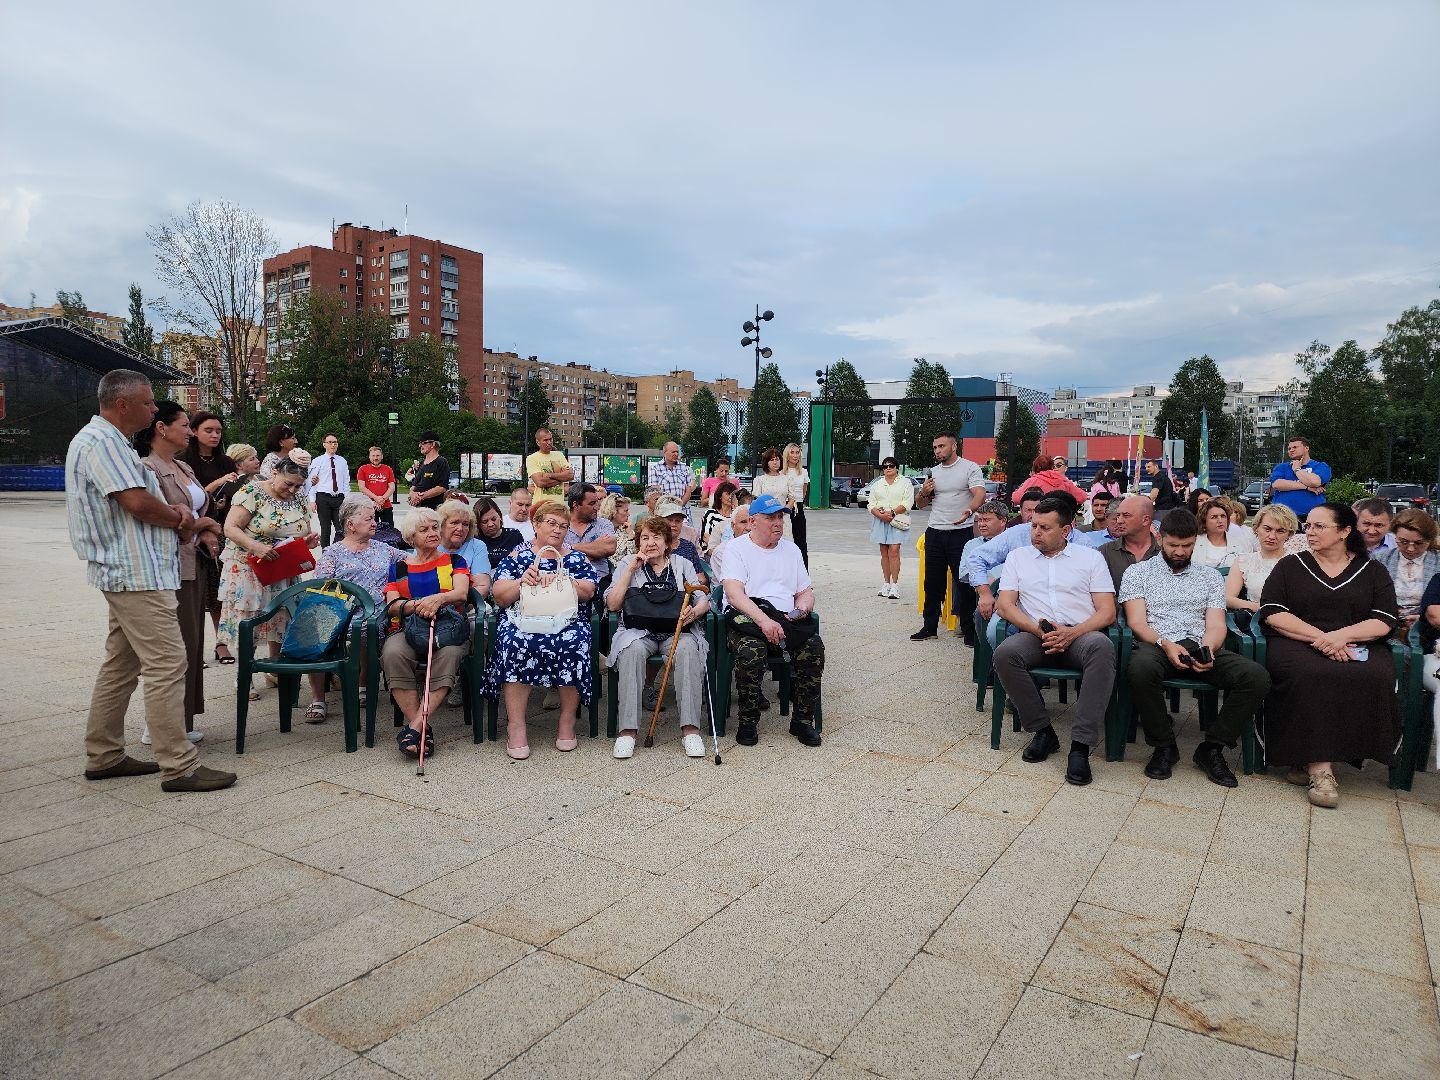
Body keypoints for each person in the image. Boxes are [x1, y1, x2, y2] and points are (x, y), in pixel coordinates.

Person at [64, 369, 236, 793]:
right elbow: (138, 502)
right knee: (167, 663)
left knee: (121, 665)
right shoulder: (102, 443)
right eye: (148, 402)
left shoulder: (110, 442)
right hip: (135, 570)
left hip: (134, 568)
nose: (155, 408)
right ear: (122, 405)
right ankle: (178, 766)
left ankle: (103, 755)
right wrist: (182, 518)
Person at [1258, 502, 1400, 808]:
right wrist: (1323, 639)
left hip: (1356, 642)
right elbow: (1272, 611)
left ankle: (1317, 754)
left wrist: (1342, 637)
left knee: (1375, 674)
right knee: (1312, 674)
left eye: (1319, 526)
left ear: (1345, 531)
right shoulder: (1291, 565)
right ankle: (1320, 768)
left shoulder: (1372, 570)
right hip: (1297, 641)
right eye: (1307, 525)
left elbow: (1385, 617)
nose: (1310, 532)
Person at [1119, 509, 1270, 786]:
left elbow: (1215, 624)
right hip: (1157, 642)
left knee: (1256, 676)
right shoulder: (1138, 572)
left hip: (1200, 642)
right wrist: (1166, 645)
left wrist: (1209, 648)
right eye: (1173, 545)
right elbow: (1137, 622)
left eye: (1186, 546)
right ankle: (1164, 746)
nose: (1179, 551)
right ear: (1159, 538)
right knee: (1140, 669)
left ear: (1195, 542)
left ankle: (1212, 748)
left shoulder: (1209, 577)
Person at [991, 496, 1117, 785]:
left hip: (1080, 635)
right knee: (1005, 653)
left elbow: (1108, 611)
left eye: (1045, 527)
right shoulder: (1018, 558)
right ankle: (1043, 732)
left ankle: (1081, 747)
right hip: (1037, 634)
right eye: (1034, 525)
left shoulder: (1090, 559)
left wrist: (1072, 633)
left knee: (1102, 647)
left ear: (1066, 531)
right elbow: (1006, 605)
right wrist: (1039, 631)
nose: (1036, 532)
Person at [136, 401, 225, 746]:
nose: (190, 431)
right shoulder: (146, 468)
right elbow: (160, 516)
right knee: (172, 647)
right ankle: (160, 725)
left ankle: (180, 720)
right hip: (168, 566)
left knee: (190, 643)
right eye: (185, 425)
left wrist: (204, 528)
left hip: (194, 562)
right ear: (162, 428)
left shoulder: (182, 466)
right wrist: (201, 523)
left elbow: (197, 508)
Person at [487, 501, 600, 759]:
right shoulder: (518, 556)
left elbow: (591, 592)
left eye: (563, 526)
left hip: (566, 622)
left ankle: (567, 720)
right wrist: (521, 581)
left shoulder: (575, 558)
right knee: (514, 641)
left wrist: (567, 580)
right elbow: (500, 596)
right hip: (523, 622)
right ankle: (516, 725)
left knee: (575, 641)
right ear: (535, 524)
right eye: (551, 523)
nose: (558, 530)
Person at [605, 516, 712, 759]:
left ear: (667, 543)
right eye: (645, 538)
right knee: (631, 652)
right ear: (638, 542)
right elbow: (612, 604)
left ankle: (690, 730)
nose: (650, 543)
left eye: (656, 537)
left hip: (678, 630)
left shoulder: (682, 563)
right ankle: (628, 731)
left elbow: (703, 598)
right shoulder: (626, 563)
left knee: (687, 651)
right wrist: (630, 570)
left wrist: (694, 612)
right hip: (638, 630)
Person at [722, 493, 823, 748]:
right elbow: (734, 595)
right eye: (771, 518)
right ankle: (748, 721)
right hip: (749, 618)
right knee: (751, 652)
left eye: (780, 517)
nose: (778, 523)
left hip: (786, 619)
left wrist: (800, 610)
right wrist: (765, 621)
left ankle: (802, 721)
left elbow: (805, 592)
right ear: (753, 521)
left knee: (813, 648)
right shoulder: (736, 548)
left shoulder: (791, 549)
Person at [218, 457, 318, 697]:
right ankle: (244, 677)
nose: (292, 490)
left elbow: (301, 528)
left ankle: (275, 671)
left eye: (298, 486)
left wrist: (306, 542)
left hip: (282, 568)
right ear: (274, 472)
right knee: (250, 620)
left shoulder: (298, 497)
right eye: (288, 483)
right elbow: (230, 528)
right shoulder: (252, 491)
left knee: (283, 619)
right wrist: (256, 547)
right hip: (249, 567)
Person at [304, 495, 405, 721]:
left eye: (374, 518)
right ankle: (318, 698)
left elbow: (415, 562)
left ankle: (362, 685)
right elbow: (320, 587)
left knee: (368, 628)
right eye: (369, 518)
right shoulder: (333, 553)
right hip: (339, 612)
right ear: (350, 524)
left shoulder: (385, 549)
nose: (375, 522)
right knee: (315, 628)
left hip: (375, 614)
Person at [382, 509, 471, 759]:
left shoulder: (453, 562)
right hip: (408, 625)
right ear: (411, 538)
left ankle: (414, 729)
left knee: (451, 653)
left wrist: (438, 600)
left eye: (435, 527)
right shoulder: (399, 567)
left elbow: (461, 593)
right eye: (424, 530)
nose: (433, 533)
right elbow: (394, 605)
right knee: (393, 652)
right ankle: (421, 728)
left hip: (447, 627)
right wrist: (419, 605)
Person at [912, 432, 987, 644]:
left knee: (963, 583)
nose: (937, 451)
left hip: (960, 532)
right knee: (932, 583)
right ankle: (929, 628)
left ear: (954, 446)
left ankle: (969, 632)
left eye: (941, 446)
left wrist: (970, 510)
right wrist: (923, 492)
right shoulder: (932, 473)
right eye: (935, 447)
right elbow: (920, 505)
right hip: (935, 531)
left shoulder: (969, 467)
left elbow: (980, 493)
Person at [180, 411, 238, 665]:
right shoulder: (182, 461)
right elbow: (185, 497)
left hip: (221, 530)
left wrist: (225, 500)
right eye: (209, 430)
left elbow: (237, 497)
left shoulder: (226, 461)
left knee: (218, 591)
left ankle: (221, 643)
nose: (215, 435)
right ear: (194, 431)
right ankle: (193, 648)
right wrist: (217, 484)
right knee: (194, 593)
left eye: (218, 431)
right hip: (191, 533)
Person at [1226, 504, 1299, 625]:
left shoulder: (1297, 560)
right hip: (1259, 622)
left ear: (1289, 534)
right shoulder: (1244, 561)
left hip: (1295, 620)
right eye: (1267, 529)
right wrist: (1260, 608)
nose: (1272, 536)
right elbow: (1228, 598)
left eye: (1280, 531)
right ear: (1256, 528)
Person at [1375, 509, 1440, 631]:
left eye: (1418, 543)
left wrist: (1423, 619)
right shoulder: (1380, 559)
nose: (1410, 549)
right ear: (1394, 535)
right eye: (1403, 542)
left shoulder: (1438, 561)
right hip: (1385, 627)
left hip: (1429, 630)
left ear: (1430, 540)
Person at [961, 499, 1010, 644]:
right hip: (983, 594)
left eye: (987, 520)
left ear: (1003, 521)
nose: (981, 524)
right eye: (979, 520)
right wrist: (986, 582)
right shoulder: (972, 544)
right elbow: (964, 572)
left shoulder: (1013, 541)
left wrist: (993, 579)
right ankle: (984, 653)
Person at [867, 456, 914, 599]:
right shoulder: (877, 484)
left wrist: (892, 512)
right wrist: (880, 515)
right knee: (884, 551)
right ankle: (886, 583)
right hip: (881, 520)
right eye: (885, 466)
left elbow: (908, 502)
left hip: (898, 519)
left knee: (894, 550)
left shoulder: (905, 483)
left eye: (891, 466)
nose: (888, 468)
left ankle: (895, 585)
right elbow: (871, 504)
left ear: (896, 468)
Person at [1098, 496, 1159, 591]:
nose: (1119, 521)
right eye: (1118, 516)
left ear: (1146, 520)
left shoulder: (1164, 551)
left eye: (1126, 515)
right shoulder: (1105, 552)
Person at [565, 482, 618, 587]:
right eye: (591, 503)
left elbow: (609, 548)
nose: (597, 507)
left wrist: (570, 547)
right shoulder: (560, 525)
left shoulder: (603, 524)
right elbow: (555, 553)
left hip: (599, 580)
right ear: (576, 505)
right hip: (567, 581)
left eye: (597, 502)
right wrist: (595, 548)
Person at [437, 501, 493, 598]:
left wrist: (456, 605)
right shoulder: (429, 545)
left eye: (465, 524)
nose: (460, 528)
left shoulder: (477, 546)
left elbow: (482, 587)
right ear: (441, 525)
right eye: (454, 523)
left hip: (466, 606)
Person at [1268, 437, 1330, 523]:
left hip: (1312, 518)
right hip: (1282, 517)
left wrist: (1297, 469)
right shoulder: (1282, 467)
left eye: (1295, 447)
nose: (1291, 450)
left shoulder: (1320, 466)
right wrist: (1307, 487)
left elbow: (1315, 482)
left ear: (1306, 448)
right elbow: (1277, 484)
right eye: (1289, 448)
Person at [306, 433, 350, 548]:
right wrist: (312, 500)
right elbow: (312, 482)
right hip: (323, 498)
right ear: (324, 444)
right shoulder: (317, 461)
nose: (333, 445)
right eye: (330, 442)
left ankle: (340, 551)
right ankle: (326, 555)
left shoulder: (342, 461)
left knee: (341, 528)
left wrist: (347, 498)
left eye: (335, 442)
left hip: (339, 498)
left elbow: (346, 481)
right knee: (325, 529)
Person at [657, 498, 708, 584]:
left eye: (677, 521)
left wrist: (690, 585)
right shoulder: (653, 546)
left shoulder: (688, 546)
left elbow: (701, 579)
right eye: (669, 520)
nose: (673, 524)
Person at [1010, 453, 1088, 506]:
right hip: (1063, 522)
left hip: (1040, 521)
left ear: (1035, 468)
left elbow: (1015, 499)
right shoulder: (1063, 481)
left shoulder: (1033, 481)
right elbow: (1082, 497)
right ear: (1052, 466)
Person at [403, 432, 450, 510]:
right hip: (419, 509)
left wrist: (421, 497)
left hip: (434, 509)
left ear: (433, 444)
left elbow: (441, 487)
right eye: (420, 443)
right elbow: (414, 486)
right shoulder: (421, 463)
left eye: (423, 443)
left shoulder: (441, 462)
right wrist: (412, 495)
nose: (420, 446)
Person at [1193, 501, 1246, 569]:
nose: (1220, 520)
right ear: (1204, 521)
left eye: (1223, 516)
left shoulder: (1239, 544)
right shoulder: (1194, 543)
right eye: (1214, 517)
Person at [782, 442, 811, 567]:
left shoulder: (803, 472)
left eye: (797, 452)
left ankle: (804, 577)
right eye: (792, 452)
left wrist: (798, 504)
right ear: (787, 455)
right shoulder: (781, 472)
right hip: (784, 507)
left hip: (798, 508)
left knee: (801, 543)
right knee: (784, 541)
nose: (795, 455)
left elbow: (804, 491)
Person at [474, 496, 524, 568]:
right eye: (485, 522)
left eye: (494, 519)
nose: (490, 524)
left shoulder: (514, 535)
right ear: (478, 524)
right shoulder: (475, 540)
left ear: (500, 516)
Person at [526, 427, 573, 500]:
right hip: (541, 505)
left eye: (550, 439)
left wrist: (549, 475)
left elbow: (570, 475)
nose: (549, 442)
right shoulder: (532, 458)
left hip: (559, 505)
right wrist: (561, 476)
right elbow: (540, 482)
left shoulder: (559, 455)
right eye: (545, 440)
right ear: (538, 442)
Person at [648, 441, 697, 509]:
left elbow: (688, 491)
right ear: (665, 452)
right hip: (663, 511)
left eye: (677, 452)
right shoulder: (655, 469)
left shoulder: (685, 468)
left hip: (682, 510)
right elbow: (655, 492)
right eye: (673, 452)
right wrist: (668, 508)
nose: (676, 454)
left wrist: (679, 506)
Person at [357, 446, 397, 527]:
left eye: (378, 455)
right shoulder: (363, 469)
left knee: (389, 531)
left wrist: (382, 499)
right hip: (368, 506)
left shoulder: (388, 469)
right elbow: (361, 487)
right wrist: (376, 498)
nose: (375, 458)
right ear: (369, 457)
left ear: (382, 456)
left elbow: (392, 487)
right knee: (369, 531)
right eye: (373, 456)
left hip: (386, 506)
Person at [710, 505, 751, 584]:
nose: (748, 527)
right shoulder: (722, 552)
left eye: (752, 521)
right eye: (743, 522)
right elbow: (736, 586)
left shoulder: (763, 547)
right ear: (733, 526)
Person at [700, 482, 739, 558]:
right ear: (720, 496)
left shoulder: (736, 515)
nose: (731, 497)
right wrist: (721, 550)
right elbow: (705, 537)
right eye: (728, 494)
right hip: (711, 552)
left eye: (733, 495)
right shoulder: (710, 513)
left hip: (732, 553)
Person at [600, 493, 636, 568]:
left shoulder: (627, 531)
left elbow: (632, 559)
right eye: (625, 511)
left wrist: (630, 537)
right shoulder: (598, 529)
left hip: (622, 574)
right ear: (614, 512)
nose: (628, 514)